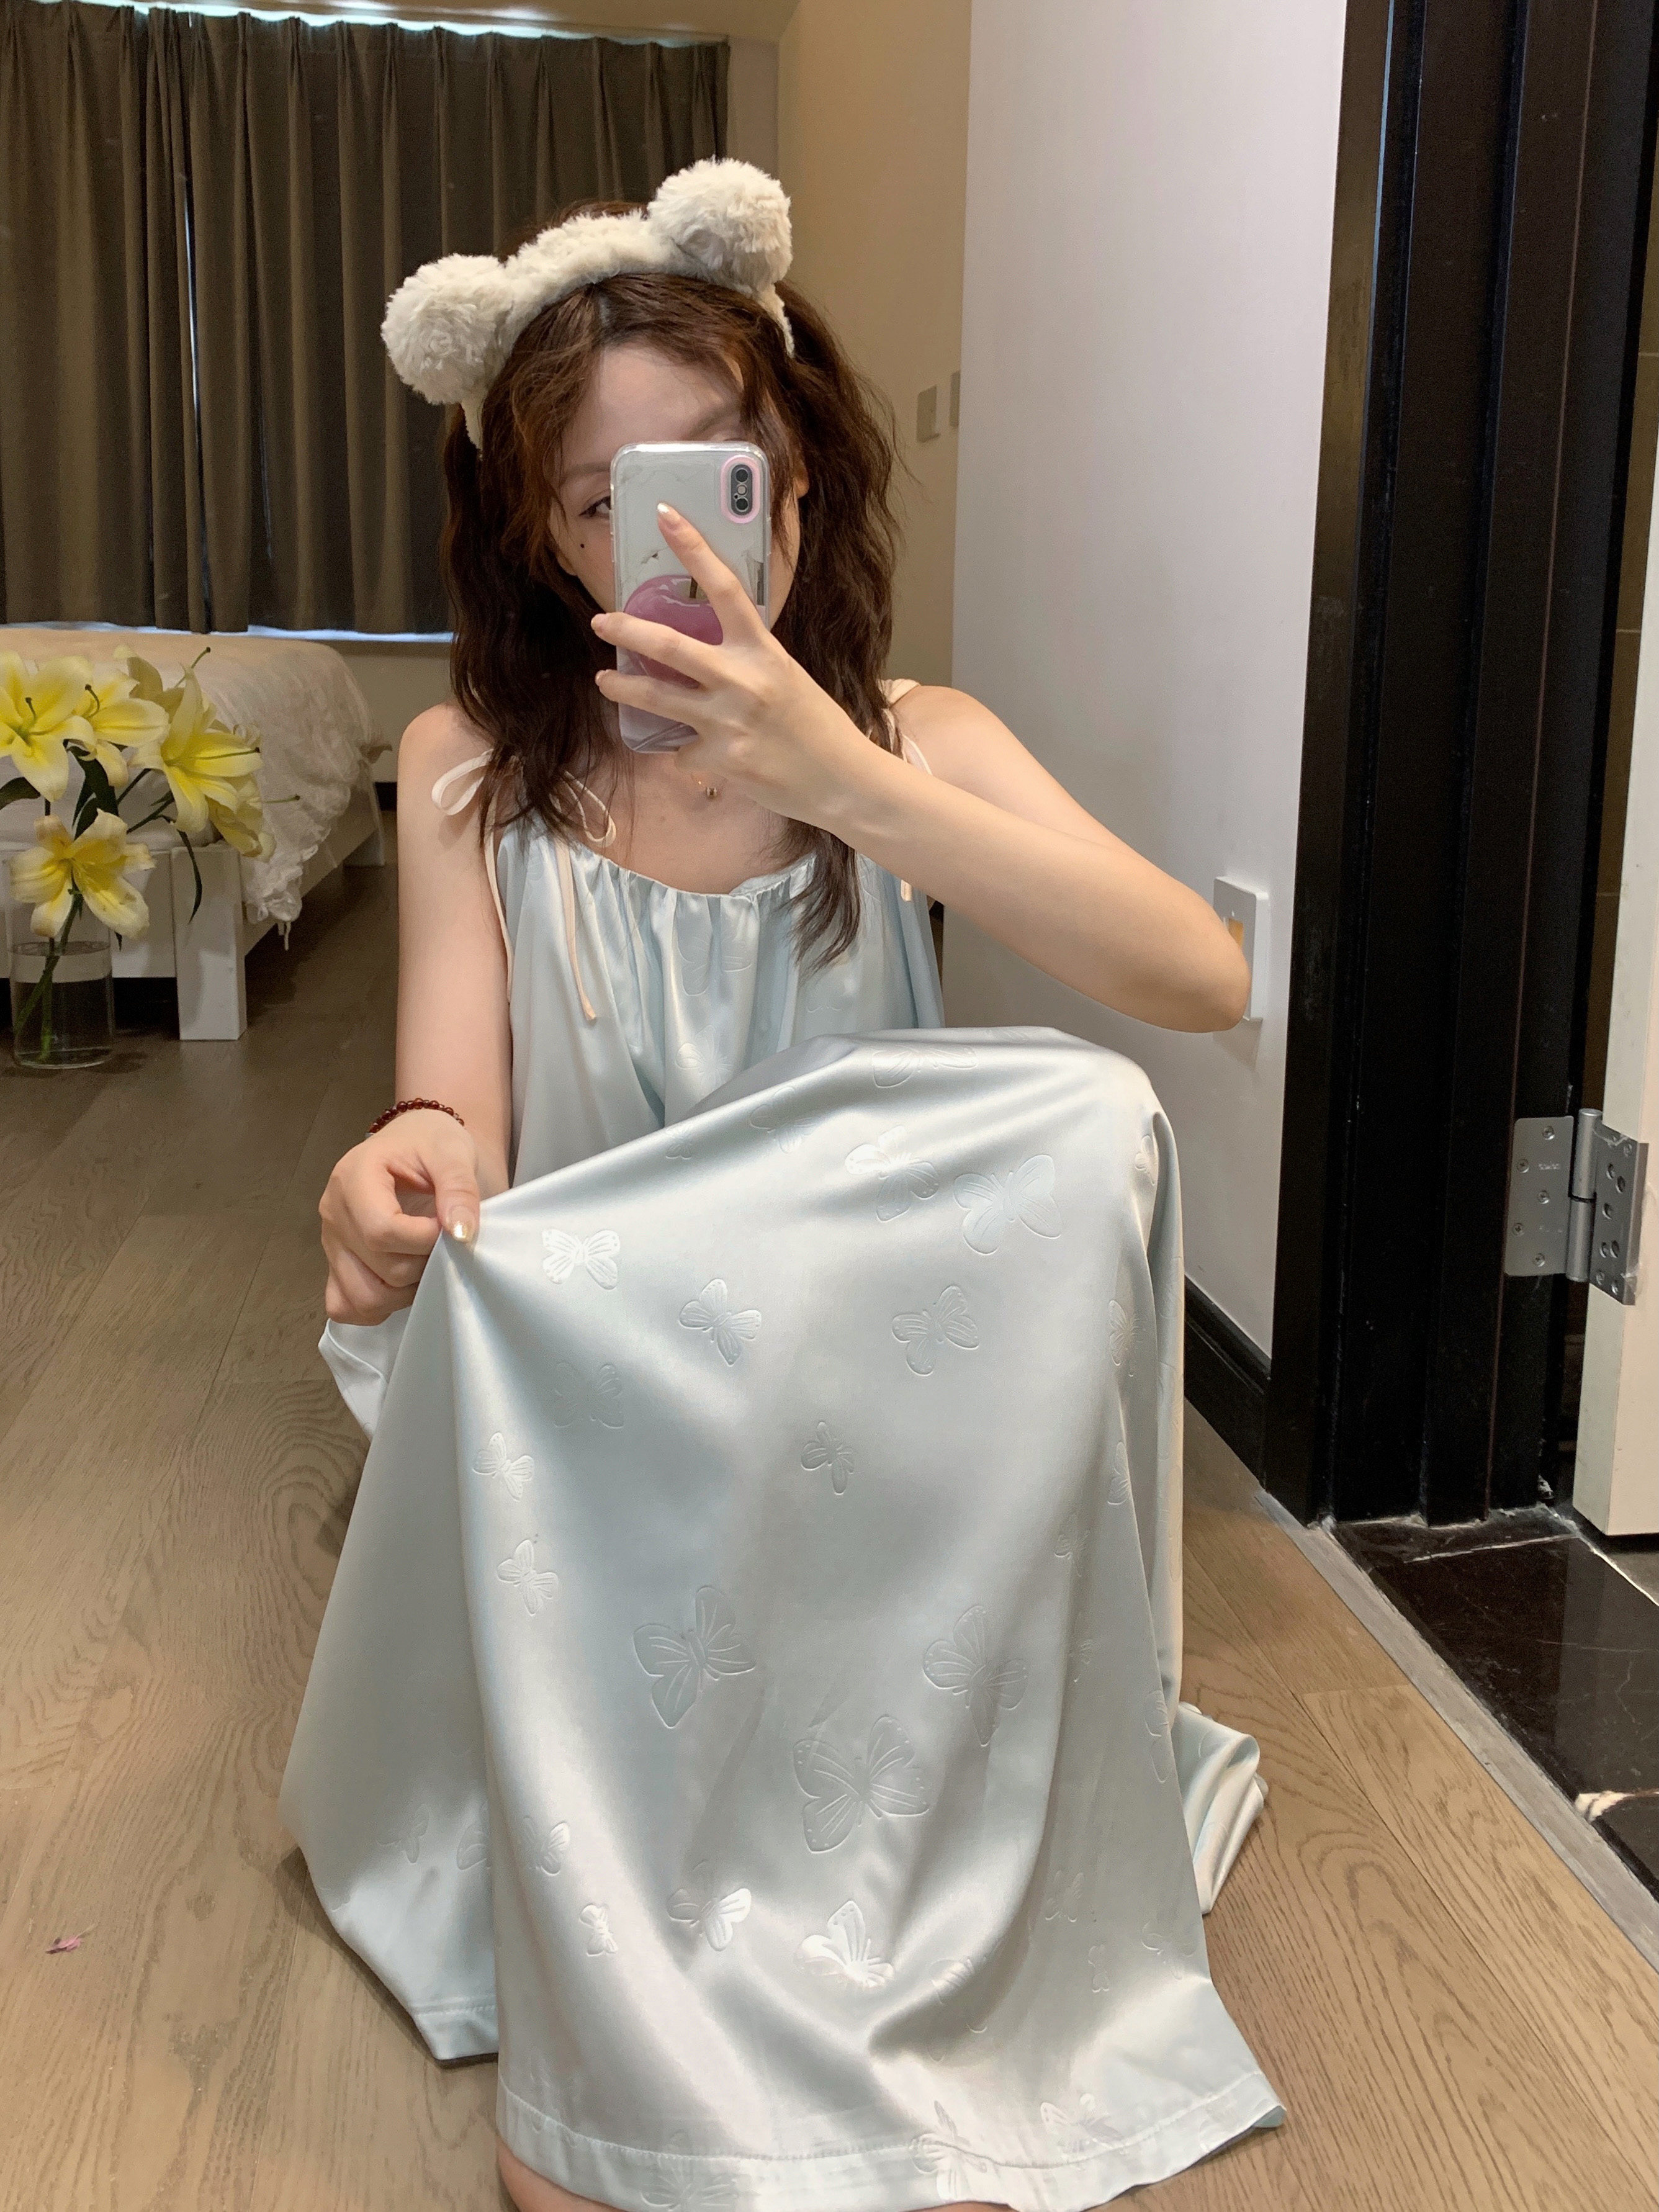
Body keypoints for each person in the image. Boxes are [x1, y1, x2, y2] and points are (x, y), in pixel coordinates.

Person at [305, 160, 1261, 2212]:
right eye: (604, 498)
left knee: (1083, 1113)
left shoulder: (919, 739)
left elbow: (1200, 975)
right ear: (541, 535)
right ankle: (659, 2062)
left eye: (716, 478)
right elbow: (455, 1120)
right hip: (615, 1411)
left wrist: (846, 779)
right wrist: (400, 1170)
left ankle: (894, 2013)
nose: (666, 539)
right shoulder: (468, 764)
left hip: (877, 1402)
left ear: (798, 489)